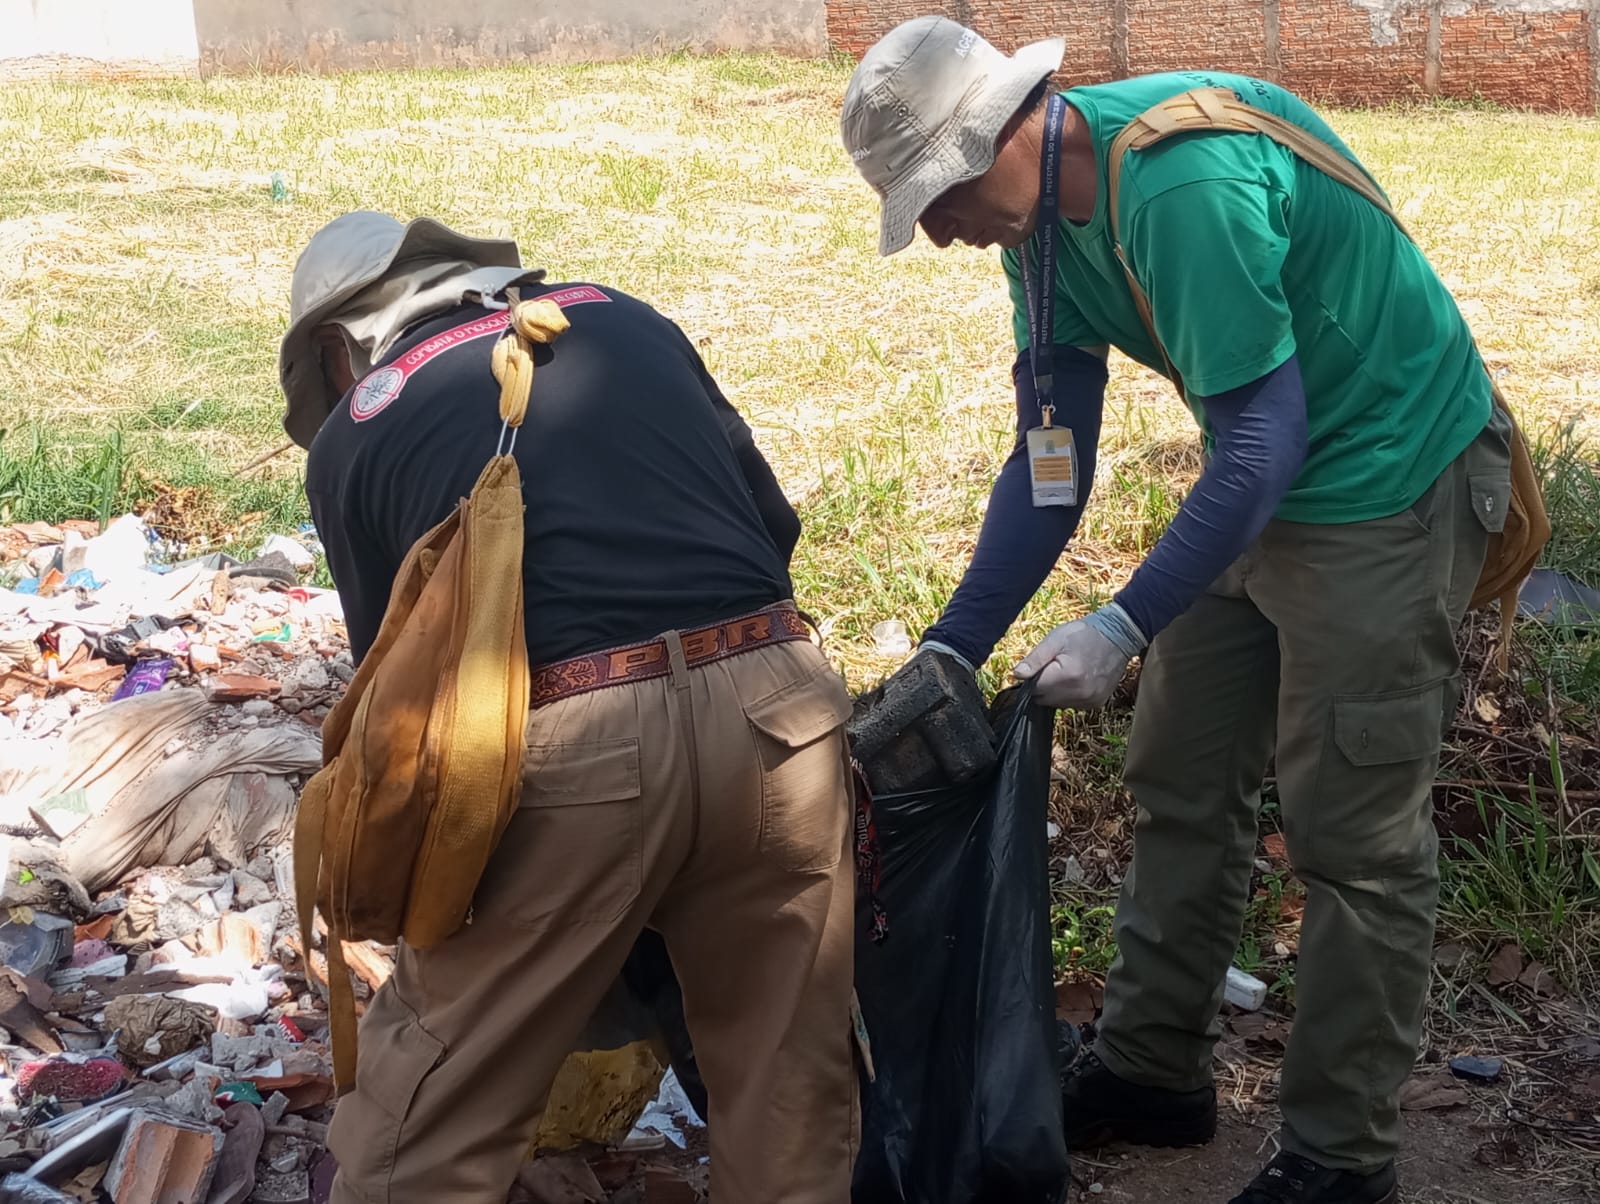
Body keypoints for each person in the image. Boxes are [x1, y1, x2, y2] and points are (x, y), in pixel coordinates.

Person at [841, 18, 1513, 1204]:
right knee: (1180, 775)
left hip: (1386, 481)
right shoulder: (1039, 234)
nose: (937, 232)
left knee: (1350, 835)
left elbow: (1265, 439)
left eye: (937, 197)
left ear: (1004, 133)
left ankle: (1338, 1156)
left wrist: (1123, 621)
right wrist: (951, 646)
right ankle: (1152, 1072)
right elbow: (1050, 464)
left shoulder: (1179, 183)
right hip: (1254, 483)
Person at [279, 211, 858, 1204]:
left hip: (577, 748)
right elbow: (774, 526)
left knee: (425, 1128)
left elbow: (403, 694)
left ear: (338, 345)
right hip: (782, 713)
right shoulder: (628, 320)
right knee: (787, 1095)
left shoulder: (358, 427)